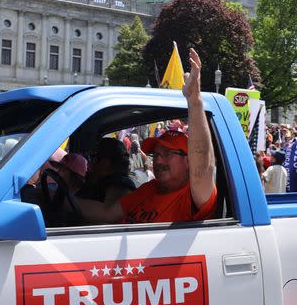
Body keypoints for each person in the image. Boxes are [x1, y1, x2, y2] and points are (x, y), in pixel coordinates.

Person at [77, 48, 216, 224]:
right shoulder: (149, 189)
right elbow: (108, 214)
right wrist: (61, 200)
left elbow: (203, 169)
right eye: (156, 155)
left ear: (188, 161)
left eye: (167, 154)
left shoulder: (194, 195)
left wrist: (194, 101)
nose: (158, 161)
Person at [77, 137, 136, 204]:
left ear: (106, 162)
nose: (89, 162)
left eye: (94, 156)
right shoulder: (92, 181)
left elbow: (106, 211)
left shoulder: (121, 187)